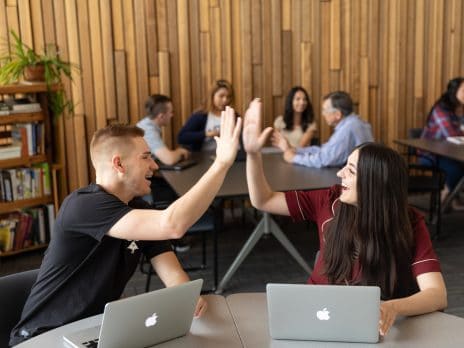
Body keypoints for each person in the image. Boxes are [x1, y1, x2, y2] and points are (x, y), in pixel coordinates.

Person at [10, 107, 242, 345]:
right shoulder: (83, 206)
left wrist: (186, 297)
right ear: (119, 164)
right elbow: (172, 225)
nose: (154, 166)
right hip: (42, 338)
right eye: (146, 157)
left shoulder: (139, 209)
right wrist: (221, 164)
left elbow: (172, 273)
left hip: (92, 332)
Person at [242, 99, 447, 337]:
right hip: (317, 311)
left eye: (350, 170)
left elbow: (437, 294)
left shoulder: (409, 221)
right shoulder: (328, 200)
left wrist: (392, 306)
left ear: (374, 183)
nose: (340, 174)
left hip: (373, 324)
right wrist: (252, 155)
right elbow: (263, 200)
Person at [272, 91, 373, 168]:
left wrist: (294, 158)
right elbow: (325, 150)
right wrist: (296, 150)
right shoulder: (355, 122)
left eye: (325, 110)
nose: (323, 114)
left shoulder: (346, 130)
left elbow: (323, 159)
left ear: (337, 114)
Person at [421, 77, 464, 204]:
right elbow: (451, 134)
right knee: (458, 169)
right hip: (432, 154)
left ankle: (450, 197)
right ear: (453, 91)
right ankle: (444, 198)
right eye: (463, 90)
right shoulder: (441, 108)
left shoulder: (462, 108)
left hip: (454, 153)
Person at [178, 79, 234, 151]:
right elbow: (182, 137)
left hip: (230, 157)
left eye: (228, 97)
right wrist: (207, 134)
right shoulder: (200, 116)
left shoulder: (234, 115)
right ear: (212, 96)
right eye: (221, 96)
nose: (225, 100)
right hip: (204, 158)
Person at [137, 94, 190, 165]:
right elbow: (169, 160)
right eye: (171, 112)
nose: (172, 115)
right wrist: (181, 151)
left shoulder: (145, 125)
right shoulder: (148, 131)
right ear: (161, 116)